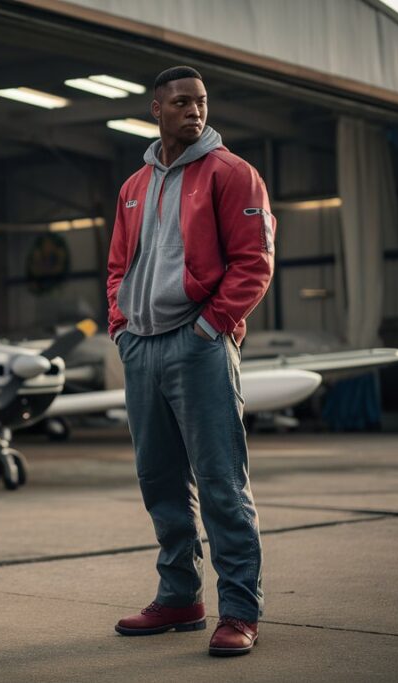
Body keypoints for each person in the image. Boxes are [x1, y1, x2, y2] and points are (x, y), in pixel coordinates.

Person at [108, 65, 275, 657]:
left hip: (198, 345)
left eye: (200, 102)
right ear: (156, 109)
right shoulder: (134, 185)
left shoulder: (232, 174)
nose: (193, 111)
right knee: (159, 483)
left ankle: (239, 611)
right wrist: (122, 326)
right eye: (180, 102)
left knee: (222, 483)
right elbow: (117, 267)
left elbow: (254, 262)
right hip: (142, 348)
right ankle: (180, 597)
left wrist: (210, 326)